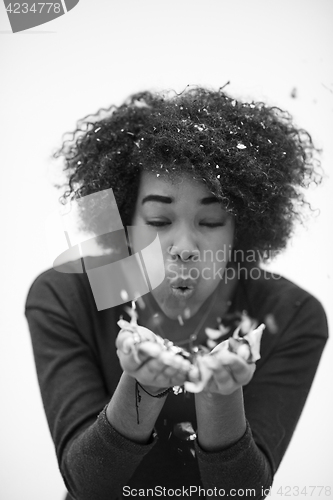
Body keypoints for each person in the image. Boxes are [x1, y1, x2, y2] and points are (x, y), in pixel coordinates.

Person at [25, 87, 328, 500]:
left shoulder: (291, 314)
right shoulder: (67, 295)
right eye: (159, 219)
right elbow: (88, 483)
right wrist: (142, 385)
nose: (184, 245)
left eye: (211, 220)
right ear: (126, 221)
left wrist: (220, 395)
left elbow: (243, 490)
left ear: (242, 229)